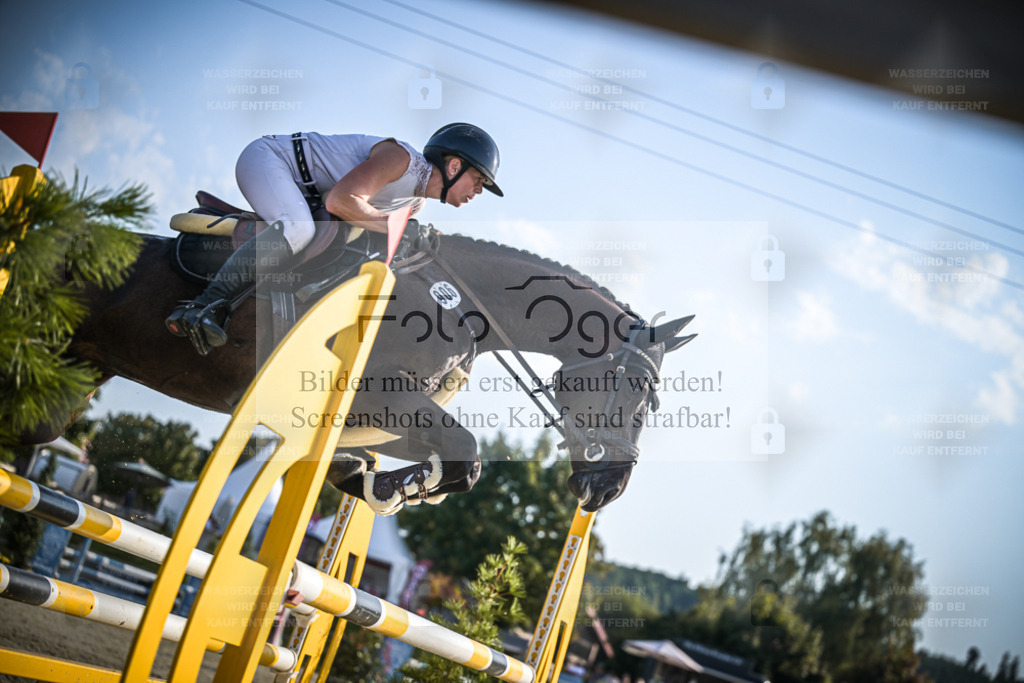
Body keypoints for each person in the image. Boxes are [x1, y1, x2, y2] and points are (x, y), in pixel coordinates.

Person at [166, 122, 503, 355]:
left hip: (304, 191)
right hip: (272, 160)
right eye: (478, 179)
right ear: (455, 165)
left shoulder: (414, 204)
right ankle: (203, 307)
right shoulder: (400, 159)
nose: (478, 190)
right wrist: (397, 228)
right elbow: (340, 201)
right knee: (299, 229)